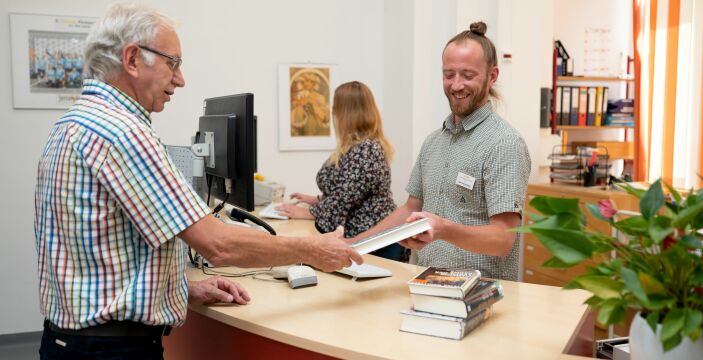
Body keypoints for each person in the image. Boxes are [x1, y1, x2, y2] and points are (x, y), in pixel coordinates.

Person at [34, 4, 361, 359]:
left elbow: (98, 257)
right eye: (172, 62)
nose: (180, 79)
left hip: (71, 342)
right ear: (131, 59)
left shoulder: (73, 124)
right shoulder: (123, 134)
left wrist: (183, 290)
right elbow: (218, 245)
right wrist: (313, 251)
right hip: (110, 349)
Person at [348, 22, 531, 280]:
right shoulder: (434, 142)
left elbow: (503, 239)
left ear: (492, 76)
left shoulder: (504, 143)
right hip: (425, 283)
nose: (456, 85)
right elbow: (410, 208)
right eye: (449, 74)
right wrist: (353, 244)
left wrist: (444, 229)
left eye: (468, 75)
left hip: (481, 293)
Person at [276, 81, 404, 261]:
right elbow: (348, 190)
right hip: (360, 236)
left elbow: (345, 197)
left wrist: (309, 213)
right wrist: (316, 200)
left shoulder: (367, 148)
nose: (332, 112)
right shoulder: (353, 146)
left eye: (335, 107)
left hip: (375, 243)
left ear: (345, 112)